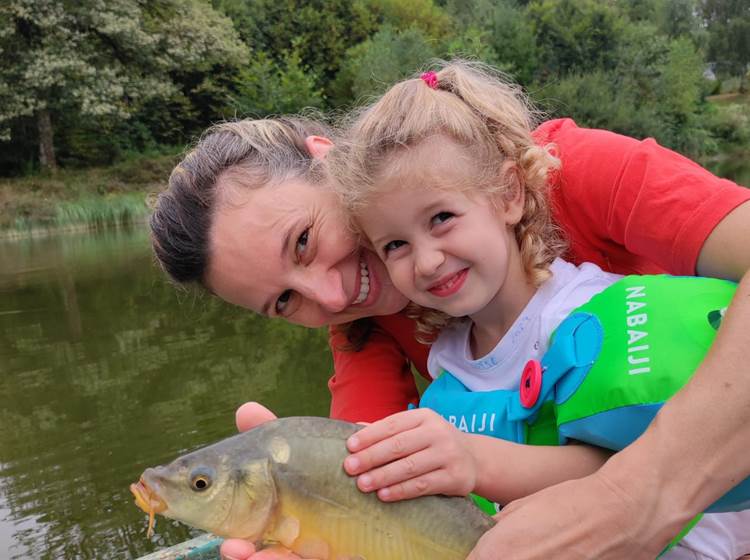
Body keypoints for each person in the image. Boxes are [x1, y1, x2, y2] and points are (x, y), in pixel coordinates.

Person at [148, 61, 750, 560]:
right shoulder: (361, 330)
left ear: (331, 161)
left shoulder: (563, 169)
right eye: (285, 301)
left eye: (303, 241)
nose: (331, 299)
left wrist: (639, 495)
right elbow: (370, 486)